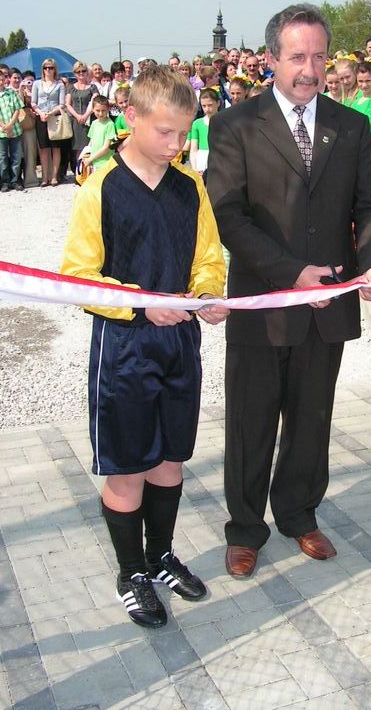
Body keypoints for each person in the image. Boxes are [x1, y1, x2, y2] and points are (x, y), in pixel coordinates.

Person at [207, 3, 371, 579]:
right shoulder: (236, 124)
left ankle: (298, 514)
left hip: (327, 304)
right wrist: (291, 272)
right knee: (251, 422)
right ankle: (245, 529)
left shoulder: (351, 126)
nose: (310, 69)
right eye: (296, 57)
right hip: (263, 303)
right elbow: (228, 216)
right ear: (271, 59)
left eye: (318, 56)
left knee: (312, 420)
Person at [60, 65, 227, 628]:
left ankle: (160, 557)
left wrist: (207, 294)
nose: (176, 144)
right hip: (125, 349)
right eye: (165, 132)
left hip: (179, 344)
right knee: (129, 468)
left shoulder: (190, 186)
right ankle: (130, 573)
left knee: (170, 461)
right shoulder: (100, 187)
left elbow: (209, 256)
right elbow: (77, 276)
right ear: (130, 117)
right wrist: (137, 303)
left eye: (183, 133)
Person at [31, 58, 65, 187]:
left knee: (56, 148)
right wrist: (41, 113)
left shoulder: (59, 84)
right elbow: (33, 102)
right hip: (41, 118)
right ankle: (45, 177)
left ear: (55, 69)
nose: (48, 70)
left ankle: (54, 176)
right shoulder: (37, 84)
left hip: (54, 117)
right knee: (44, 149)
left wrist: (50, 113)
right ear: (43, 69)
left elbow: (61, 104)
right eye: (46, 68)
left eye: (50, 67)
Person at [65, 61, 98, 168]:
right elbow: (68, 104)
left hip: (89, 120)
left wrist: (86, 115)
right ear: (75, 73)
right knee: (78, 148)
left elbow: (95, 101)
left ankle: (90, 171)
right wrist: (78, 116)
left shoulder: (93, 87)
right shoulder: (70, 87)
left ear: (87, 72)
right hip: (76, 121)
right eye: (78, 71)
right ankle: (80, 171)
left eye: (83, 71)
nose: (81, 73)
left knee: (90, 146)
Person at [0, 70, 24, 191]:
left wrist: (10, 125)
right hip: (1, 132)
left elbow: (17, 110)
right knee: (2, 158)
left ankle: (16, 180)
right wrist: (4, 127)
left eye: (2, 79)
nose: (1, 82)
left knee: (16, 157)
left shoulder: (11, 93)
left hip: (15, 130)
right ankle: (4, 182)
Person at [83, 95, 116, 173]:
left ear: (108, 109)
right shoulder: (94, 123)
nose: (100, 114)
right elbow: (91, 143)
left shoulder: (110, 124)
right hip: (94, 162)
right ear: (93, 109)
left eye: (103, 110)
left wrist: (90, 159)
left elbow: (105, 148)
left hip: (105, 163)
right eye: (98, 110)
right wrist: (86, 156)